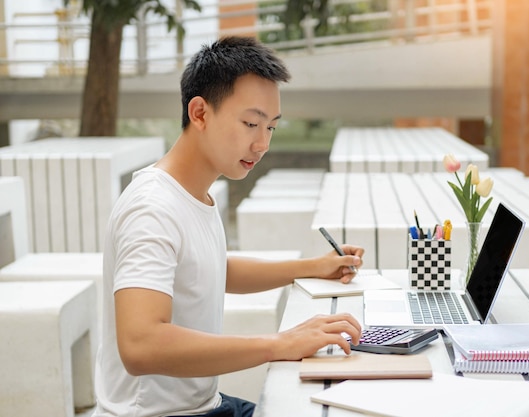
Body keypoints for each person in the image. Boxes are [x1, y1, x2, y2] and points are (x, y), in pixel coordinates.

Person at [92, 36, 364, 417]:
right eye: (251, 123)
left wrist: (313, 268)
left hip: (206, 406)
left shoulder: (196, 194)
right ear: (200, 113)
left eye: (271, 127)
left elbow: (213, 269)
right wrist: (280, 343)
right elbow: (141, 345)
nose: (262, 143)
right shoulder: (152, 209)